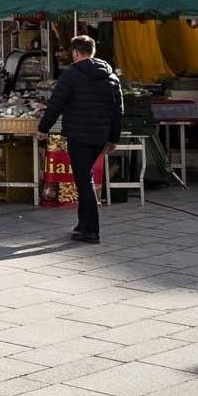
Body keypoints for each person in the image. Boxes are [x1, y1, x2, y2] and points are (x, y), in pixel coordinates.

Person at [38, 35, 124, 244]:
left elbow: (56, 104)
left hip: (78, 136)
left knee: (84, 182)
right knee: (86, 179)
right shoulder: (111, 76)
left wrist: (43, 128)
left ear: (76, 53)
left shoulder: (71, 74)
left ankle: (91, 230)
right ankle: (82, 225)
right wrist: (113, 137)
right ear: (92, 51)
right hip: (100, 136)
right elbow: (118, 110)